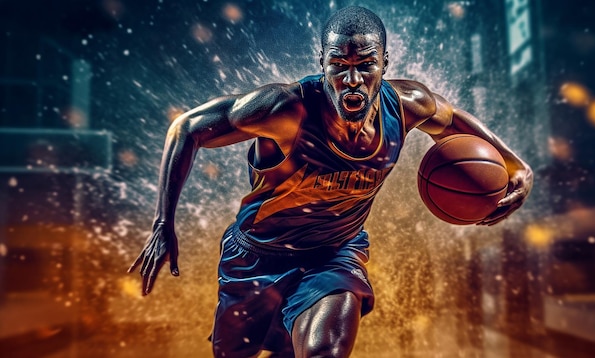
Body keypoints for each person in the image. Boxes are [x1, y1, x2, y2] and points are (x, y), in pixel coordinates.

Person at [128, 6, 533, 357]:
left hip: (333, 254)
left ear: (385, 64)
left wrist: (516, 165)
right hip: (255, 255)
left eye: (365, 65)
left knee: (325, 351)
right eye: (340, 65)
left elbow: (453, 120)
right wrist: (163, 224)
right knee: (236, 352)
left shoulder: (408, 105)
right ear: (323, 62)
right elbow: (187, 128)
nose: (352, 79)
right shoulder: (285, 109)